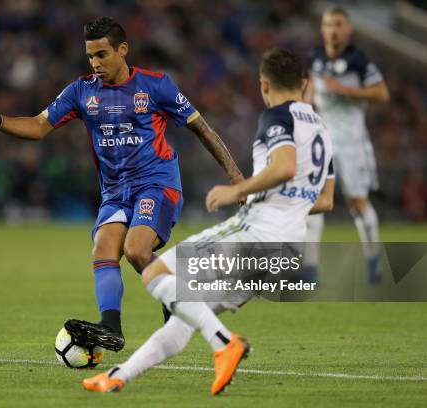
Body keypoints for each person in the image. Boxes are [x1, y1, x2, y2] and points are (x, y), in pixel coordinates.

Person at [0, 17, 243, 352]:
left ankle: (180, 301)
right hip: (115, 193)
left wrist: (236, 178)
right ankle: (112, 328)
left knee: (136, 249)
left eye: (102, 55)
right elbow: (38, 126)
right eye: (90, 56)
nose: (95, 63)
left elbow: (203, 130)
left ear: (123, 50)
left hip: (157, 184)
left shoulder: (156, 86)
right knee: (103, 249)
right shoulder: (81, 91)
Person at [83, 47, 336, 395]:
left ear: (263, 85)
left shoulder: (276, 118)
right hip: (289, 247)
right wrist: (286, 206)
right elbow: (325, 200)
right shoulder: (322, 129)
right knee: (185, 317)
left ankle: (224, 343)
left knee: (157, 272)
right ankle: (118, 376)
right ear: (305, 84)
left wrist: (238, 191)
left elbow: (285, 167)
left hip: (255, 233)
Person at [303, 7, 389, 284]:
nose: (333, 30)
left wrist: (345, 91)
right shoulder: (315, 59)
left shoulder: (359, 61)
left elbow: (381, 94)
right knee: (313, 199)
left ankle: (373, 261)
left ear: (348, 29)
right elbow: (309, 93)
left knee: (356, 202)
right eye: (329, 24)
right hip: (323, 140)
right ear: (323, 28)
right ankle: (311, 268)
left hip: (353, 142)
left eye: (339, 24)